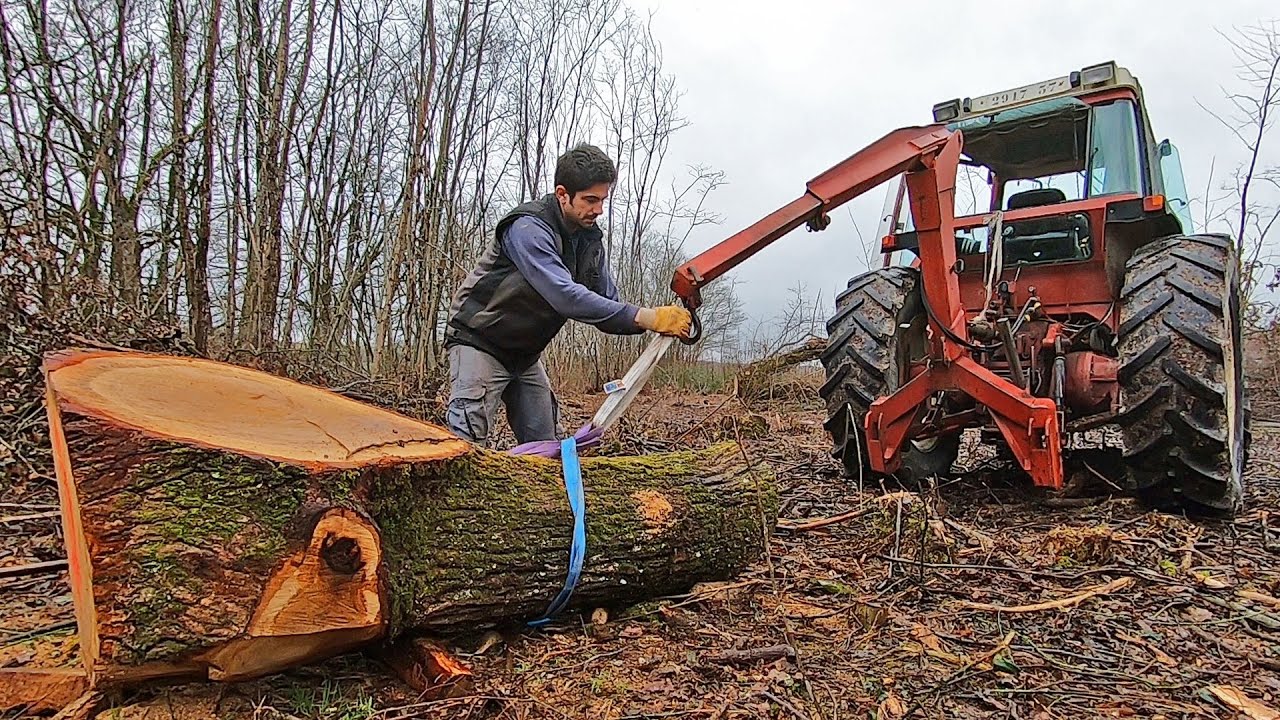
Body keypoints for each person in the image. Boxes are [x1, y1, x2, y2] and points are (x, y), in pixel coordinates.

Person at [443, 143, 692, 446]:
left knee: (547, 444)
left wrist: (653, 320)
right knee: (465, 443)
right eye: (590, 200)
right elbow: (564, 295)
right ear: (562, 194)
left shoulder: (589, 242)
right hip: (479, 342)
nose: (598, 210)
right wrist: (646, 317)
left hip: (525, 355)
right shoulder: (528, 229)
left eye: (603, 200)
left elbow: (609, 307)